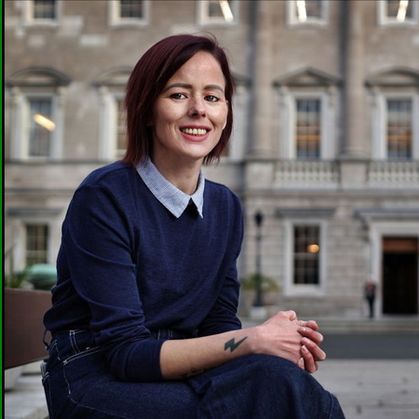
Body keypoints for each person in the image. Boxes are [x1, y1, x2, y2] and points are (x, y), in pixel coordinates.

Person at [41, 34, 345, 419]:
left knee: (285, 383)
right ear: (147, 109)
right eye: (179, 95)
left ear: (226, 113)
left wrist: (277, 347)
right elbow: (125, 354)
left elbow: (219, 324)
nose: (199, 110)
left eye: (213, 97)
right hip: (95, 377)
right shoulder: (104, 197)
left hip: (178, 373)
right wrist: (253, 340)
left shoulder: (225, 207)